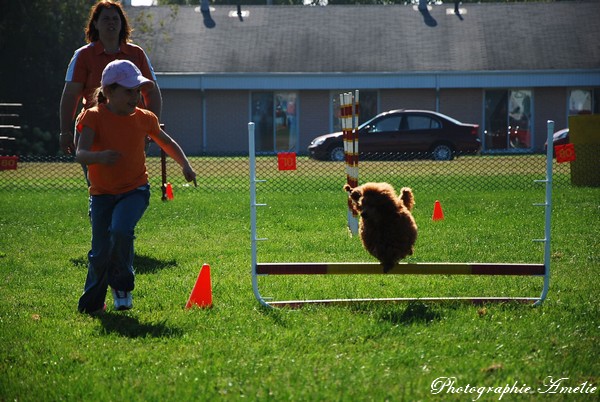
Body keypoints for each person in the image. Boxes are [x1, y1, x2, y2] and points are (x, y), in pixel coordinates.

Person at [75, 59, 196, 314]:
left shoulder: (144, 119)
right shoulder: (93, 116)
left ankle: (122, 285)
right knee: (99, 252)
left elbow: (167, 142)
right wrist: (99, 157)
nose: (135, 96)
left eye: (138, 91)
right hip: (101, 196)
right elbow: (81, 153)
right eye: (129, 91)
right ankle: (93, 304)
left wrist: (185, 165)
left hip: (135, 190)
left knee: (120, 230)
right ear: (108, 91)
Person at [60, 0, 162, 156]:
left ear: (122, 24)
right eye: (105, 19)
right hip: (94, 128)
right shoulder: (83, 55)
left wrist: (152, 127)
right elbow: (70, 95)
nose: (111, 23)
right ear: (95, 23)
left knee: (132, 177)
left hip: (132, 127)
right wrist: (65, 131)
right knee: (98, 179)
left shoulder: (137, 53)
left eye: (115, 19)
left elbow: (152, 93)